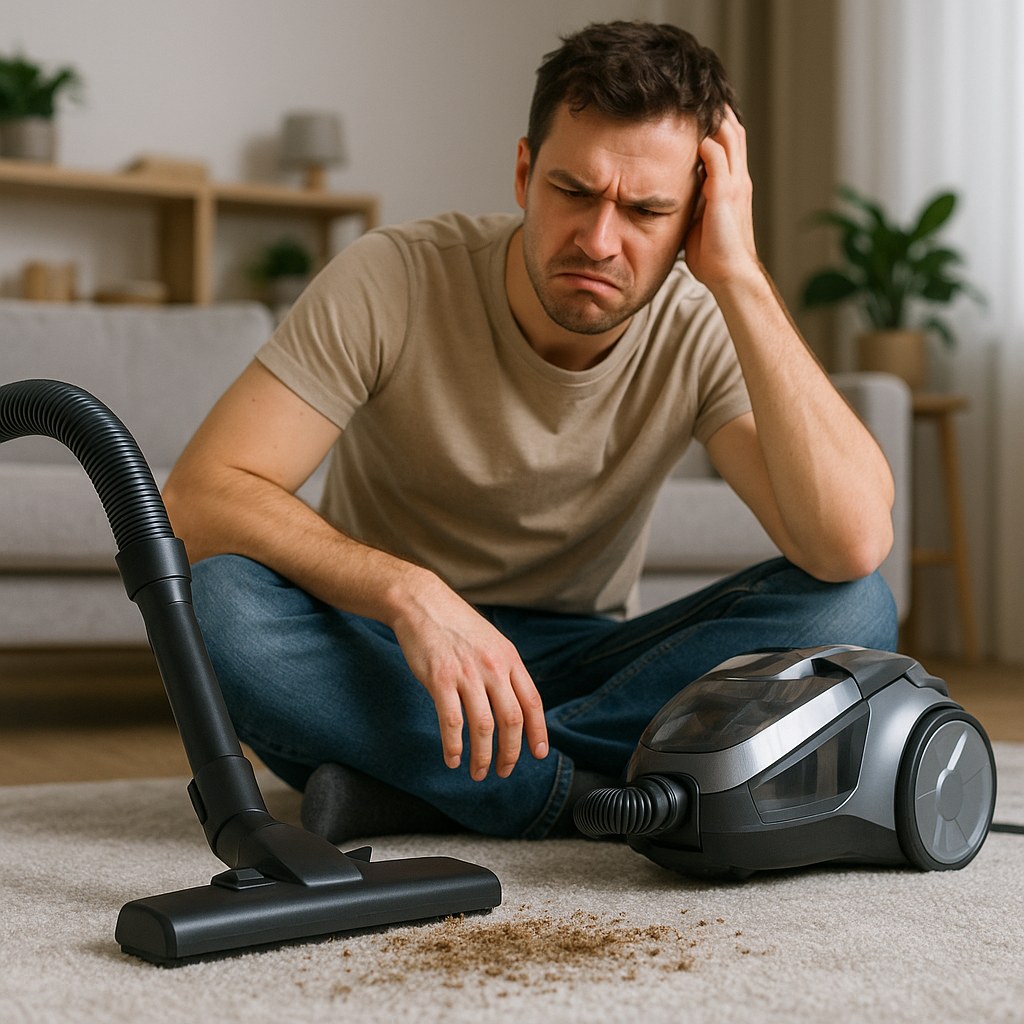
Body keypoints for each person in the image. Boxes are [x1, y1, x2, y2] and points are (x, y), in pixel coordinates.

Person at [163, 21, 898, 843]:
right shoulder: (394, 279)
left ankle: (434, 784)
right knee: (215, 600)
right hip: (394, 660)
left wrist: (740, 275)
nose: (598, 240)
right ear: (524, 172)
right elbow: (197, 495)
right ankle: (590, 791)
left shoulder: (701, 322)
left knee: (855, 612)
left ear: (697, 212)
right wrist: (412, 596)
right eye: (574, 192)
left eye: (648, 209)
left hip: (591, 659)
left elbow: (852, 544)